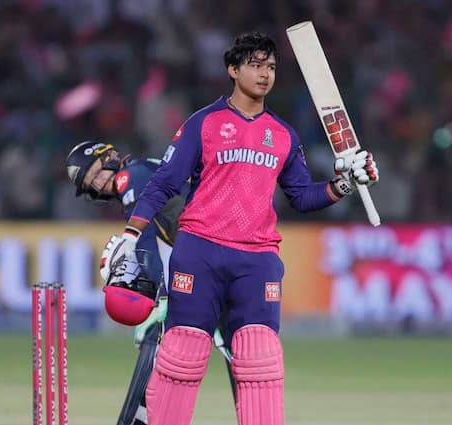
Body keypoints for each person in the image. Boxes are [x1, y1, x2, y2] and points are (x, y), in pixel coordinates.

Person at [103, 32, 379, 425]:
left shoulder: (283, 135)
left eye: (271, 67)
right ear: (233, 70)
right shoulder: (204, 123)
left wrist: (345, 184)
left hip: (256, 258)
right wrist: (132, 234)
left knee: (259, 358)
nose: (265, 74)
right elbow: (164, 182)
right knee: (182, 354)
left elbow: (302, 197)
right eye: (255, 65)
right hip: (200, 252)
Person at [64, 141, 237, 425]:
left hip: (215, 252)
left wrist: (161, 296)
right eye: (90, 184)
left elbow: (143, 242)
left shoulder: (130, 177)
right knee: (236, 351)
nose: (97, 184)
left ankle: (138, 420)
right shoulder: (142, 170)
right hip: (222, 250)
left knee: (159, 338)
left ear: (108, 156)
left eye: (94, 173)